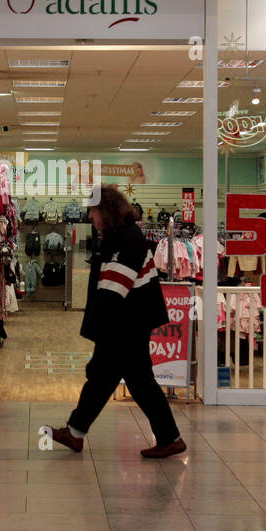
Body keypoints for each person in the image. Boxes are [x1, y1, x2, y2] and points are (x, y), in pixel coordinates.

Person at [50, 184, 186, 459]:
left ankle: (77, 432)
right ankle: (78, 431)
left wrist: (99, 330)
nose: (90, 216)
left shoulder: (125, 239)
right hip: (128, 321)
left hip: (126, 323)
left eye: (93, 210)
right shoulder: (120, 236)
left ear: (106, 210)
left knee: (114, 378)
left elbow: (115, 289)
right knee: (121, 379)